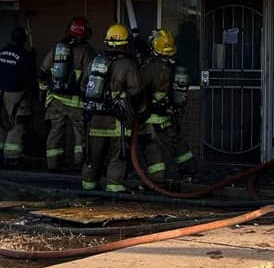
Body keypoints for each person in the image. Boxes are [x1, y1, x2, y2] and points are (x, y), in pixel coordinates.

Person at [80, 24, 142, 192]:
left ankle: (88, 186)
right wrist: (139, 112)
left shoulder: (95, 61)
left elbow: (84, 86)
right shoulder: (127, 65)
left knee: (93, 155)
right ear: (124, 43)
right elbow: (136, 91)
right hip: (117, 121)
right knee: (118, 155)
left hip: (94, 118)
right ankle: (115, 187)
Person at [135, 28, 196, 187]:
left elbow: (138, 89)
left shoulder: (152, 67)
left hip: (151, 118)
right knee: (177, 143)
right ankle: (190, 170)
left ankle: (157, 180)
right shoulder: (174, 66)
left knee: (152, 149)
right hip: (169, 116)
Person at [40, 17, 95, 171]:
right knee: (80, 133)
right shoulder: (87, 51)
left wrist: (43, 94)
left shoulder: (57, 49)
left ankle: (53, 163)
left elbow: (43, 72)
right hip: (76, 102)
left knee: (56, 131)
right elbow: (90, 77)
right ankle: (79, 164)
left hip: (55, 100)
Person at [0, 26, 37, 167]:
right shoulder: (24, 56)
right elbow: (29, 76)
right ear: (24, 40)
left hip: (0, 92)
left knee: (3, 121)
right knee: (18, 123)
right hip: (17, 94)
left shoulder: (2, 52)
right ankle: (11, 157)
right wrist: (32, 58)